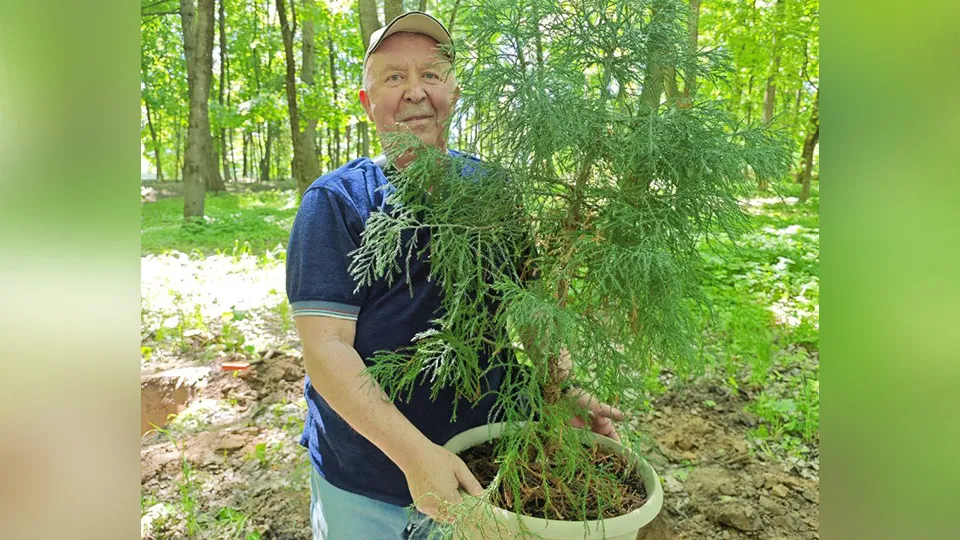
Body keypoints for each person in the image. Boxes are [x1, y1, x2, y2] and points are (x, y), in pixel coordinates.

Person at [285, 11, 624, 540]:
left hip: (484, 464)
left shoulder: (494, 191)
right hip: (365, 478)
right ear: (367, 102)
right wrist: (416, 456)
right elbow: (326, 351)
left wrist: (562, 387)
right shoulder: (338, 203)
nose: (415, 92)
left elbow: (530, 309)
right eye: (394, 77)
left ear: (455, 91)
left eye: (432, 74)